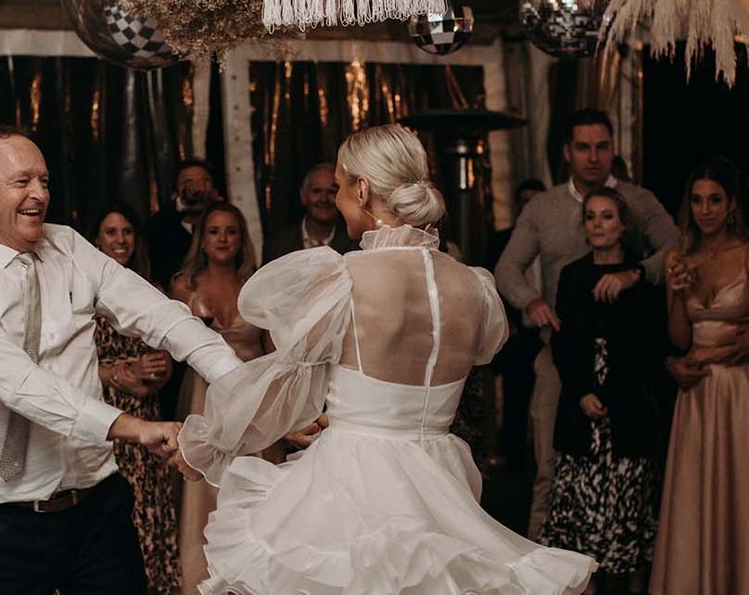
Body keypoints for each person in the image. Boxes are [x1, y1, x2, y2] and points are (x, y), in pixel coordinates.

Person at [172, 124, 595, 594]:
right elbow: (467, 359)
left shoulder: (346, 277)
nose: (335, 200)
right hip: (440, 478)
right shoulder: (475, 287)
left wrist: (211, 442)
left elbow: (287, 381)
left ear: (363, 188)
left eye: (338, 187)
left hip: (354, 483)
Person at [0, 126, 242, 595]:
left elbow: (157, 315)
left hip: (97, 508)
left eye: (45, 181)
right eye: (22, 182)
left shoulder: (68, 246)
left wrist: (246, 386)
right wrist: (133, 428)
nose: (39, 194)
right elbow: (17, 382)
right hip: (3, 524)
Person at [495, 108, 679, 539]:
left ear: (613, 149)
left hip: (628, 366)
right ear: (567, 152)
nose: (593, 157)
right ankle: (544, 576)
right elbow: (507, 269)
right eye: (583, 147)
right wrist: (532, 300)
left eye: (601, 147)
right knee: (549, 471)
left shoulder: (639, 200)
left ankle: (616, 568)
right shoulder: (543, 207)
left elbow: (676, 250)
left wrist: (638, 273)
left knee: (630, 471)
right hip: (559, 355)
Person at [539, 188, 665, 594]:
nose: (597, 224)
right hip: (581, 407)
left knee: (627, 513)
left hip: (626, 407)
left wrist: (608, 395)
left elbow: (647, 349)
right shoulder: (573, 275)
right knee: (579, 517)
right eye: (591, 217)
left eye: (607, 216)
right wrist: (581, 392)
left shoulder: (638, 278)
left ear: (623, 225)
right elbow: (565, 343)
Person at [170, 201, 281, 594]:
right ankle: (203, 578)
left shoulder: (255, 283)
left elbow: (272, 350)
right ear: (203, 239)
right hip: (206, 398)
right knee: (206, 489)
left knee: (253, 487)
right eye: (215, 231)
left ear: (241, 238)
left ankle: (254, 577)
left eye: (231, 231)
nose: (222, 239)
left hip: (252, 400)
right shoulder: (186, 285)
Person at [650, 158, 749, 595]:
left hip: (737, 388)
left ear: (730, 206)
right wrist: (678, 294)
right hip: (696, 391)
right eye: (697, 200)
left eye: (714, 200)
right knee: (696, 493)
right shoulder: (679, 257)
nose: (705, 209)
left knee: (737, 489)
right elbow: (677, 337)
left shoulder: (746, 253)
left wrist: (726, 350)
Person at [91, 202, 180, 594]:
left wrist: (153, 376)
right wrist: (119, 374)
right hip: (101, 416)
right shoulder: (83, 294)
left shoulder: (151, 290)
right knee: (113, 513)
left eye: (126, 231)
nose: (120, 239)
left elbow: (169, 356)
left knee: (151, 507)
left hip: (146, 412)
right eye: (111, 232)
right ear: (96, 239)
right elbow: (60, 369)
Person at [488, 178, 545, 470]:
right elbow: (492, 285)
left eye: (536, 199)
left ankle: (541, 458)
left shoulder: (553, 238)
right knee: (516, 398)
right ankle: (513, 459)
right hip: (518, 331)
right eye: (525, 199)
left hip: (549, 330)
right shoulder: (502, 240)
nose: (530, 205)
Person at [146, 159, 221, 289]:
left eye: (204, 182)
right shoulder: (160, 227)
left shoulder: (224, 226)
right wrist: (184, 203)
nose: (197, 189)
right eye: (189, 183)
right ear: (175, 193)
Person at [262, 162, 357, 263]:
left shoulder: (355, 245)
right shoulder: (277, 246)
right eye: (316, 191)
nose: (324, 199)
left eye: (331, 192)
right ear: (303, 196)